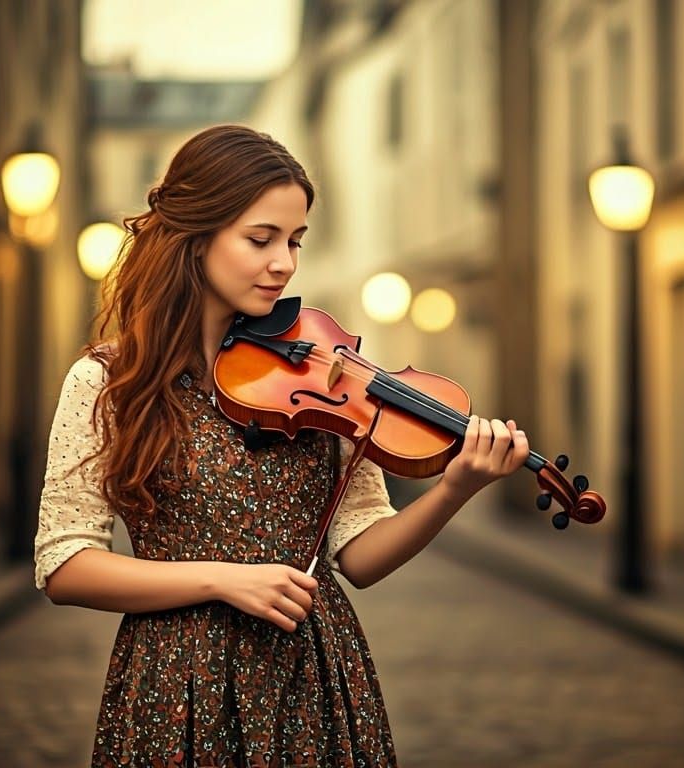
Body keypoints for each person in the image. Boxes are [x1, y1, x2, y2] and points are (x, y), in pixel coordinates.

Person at [34, 124, 530, 767]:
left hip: (314, 678)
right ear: (195, 237)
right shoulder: (107, 381)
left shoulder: (323, 374)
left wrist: (455, 488)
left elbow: (360, 555)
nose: (284, 264)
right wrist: (222, 581)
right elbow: (65, 564)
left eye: (294, 241)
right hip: (176, 682)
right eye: (260, 239)